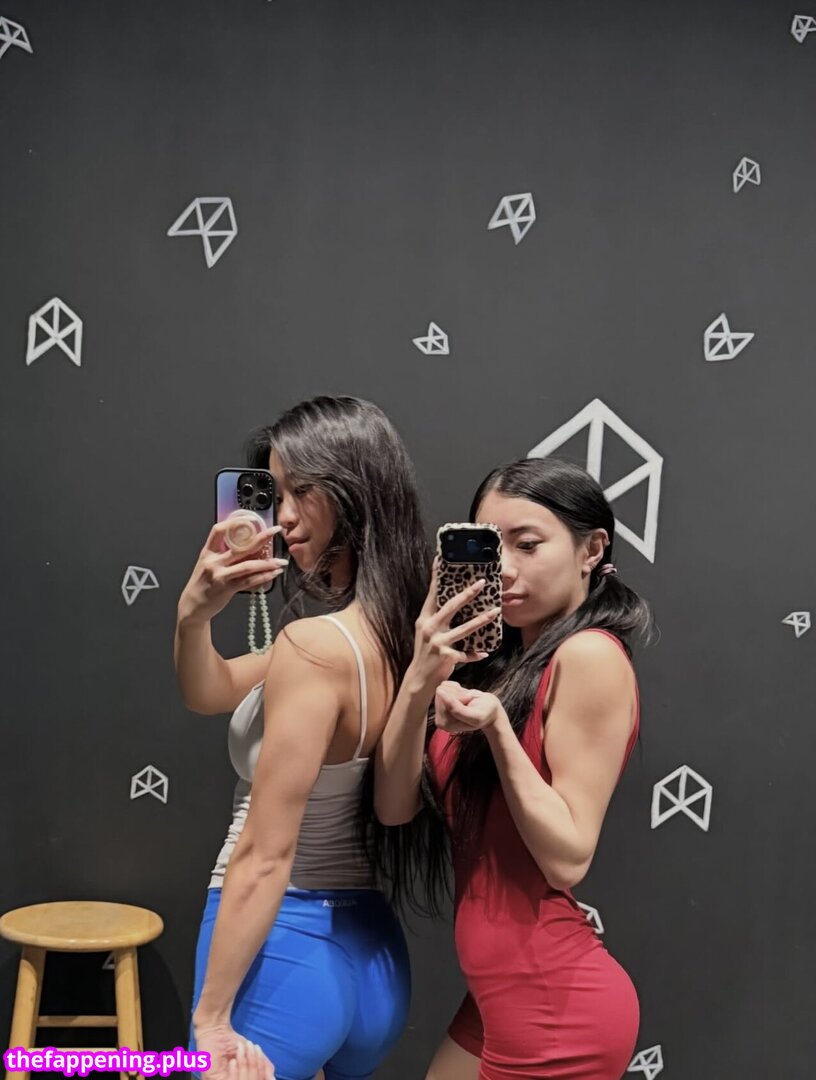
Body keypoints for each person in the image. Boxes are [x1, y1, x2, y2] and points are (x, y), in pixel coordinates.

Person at [174, 396, 432, 1080]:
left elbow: (266, 854)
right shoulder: (396, 636)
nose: (282, 517)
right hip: (373, 960)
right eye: (275, 493)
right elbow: (209, 690)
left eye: (302, 491)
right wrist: (194, 616)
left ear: (355, 491)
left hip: (281, 951)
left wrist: (211, 1018)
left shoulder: (314, 647)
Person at [375, 457, 653, 1080]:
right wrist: (421, 675)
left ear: (591, 550)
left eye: (528, 545)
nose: (503, 569)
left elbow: (568, 857)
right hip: (498, 999)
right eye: (490, 546)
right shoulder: (500, 669)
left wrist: (498, 730)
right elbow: (392, 807)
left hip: (556, 1009)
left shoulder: (589, 656)